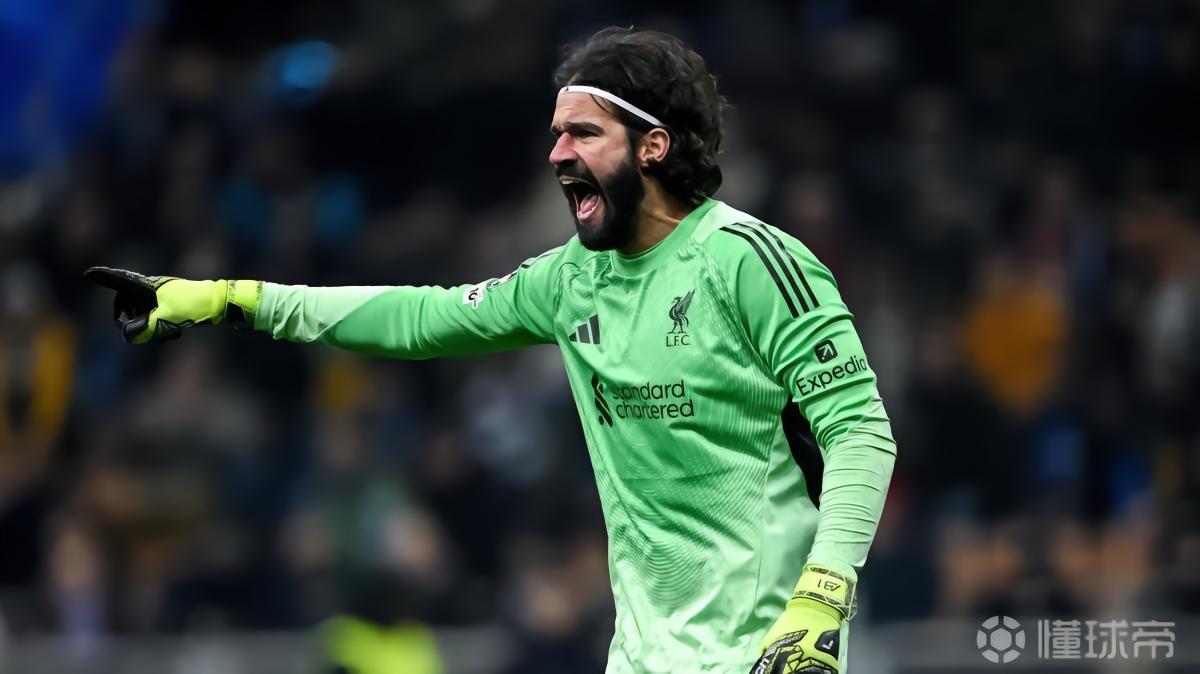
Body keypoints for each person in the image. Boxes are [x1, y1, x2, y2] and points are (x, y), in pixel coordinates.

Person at [87, 26, 896, 674]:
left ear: (652, 146)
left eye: (583, 133)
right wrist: (231, 298)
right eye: (556, 135)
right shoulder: (571, 280)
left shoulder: (753, 263)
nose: (557, 154)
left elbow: (859, 431)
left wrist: (821, 600)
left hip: (769, 654)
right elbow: (418, 319)